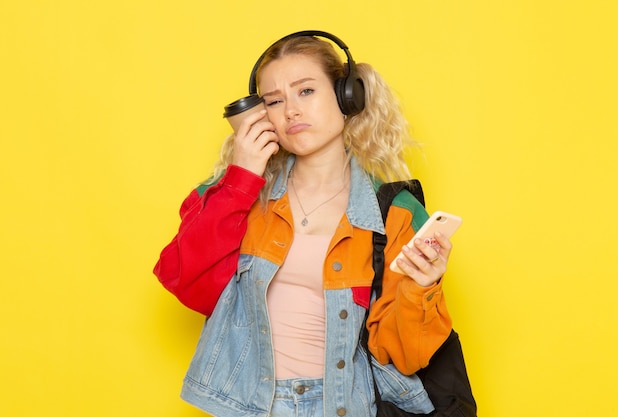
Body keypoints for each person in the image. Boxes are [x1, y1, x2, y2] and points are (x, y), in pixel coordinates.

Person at [154, 31, 453, 417]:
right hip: (245, 405)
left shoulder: (396, 212)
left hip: (344, 404)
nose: (290, 111)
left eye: (306, 91)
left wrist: (422, 287)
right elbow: (187, 283)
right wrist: (241, 178)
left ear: (348, 96)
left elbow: (403, 355)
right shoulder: (237, 193)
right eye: (274, 101)